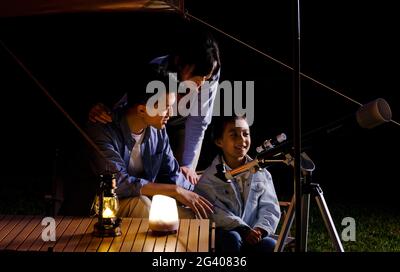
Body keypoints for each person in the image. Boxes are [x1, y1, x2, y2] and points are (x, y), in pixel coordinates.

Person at [88, 23, 221, 185]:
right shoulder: (157, 69)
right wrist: (105, 117)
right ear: (180, 61)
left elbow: (199, 121)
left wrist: (188, 166)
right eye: (198, 76)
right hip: (149, 121)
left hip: (177, 126)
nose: (201, 83)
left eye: (206, 78)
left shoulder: (208, 77)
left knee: (177, 174)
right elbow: (132, 105)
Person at [84, 69, 213, 219]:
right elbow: (119, 183)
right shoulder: (102, 130)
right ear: (141, 110)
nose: (171, 114)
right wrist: (175, 191)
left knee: (197, 214)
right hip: (102, 208)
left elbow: (172, 173)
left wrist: (205, 193)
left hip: (145, 204)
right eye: (166, 108)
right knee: (141, 205)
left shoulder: (157, 130)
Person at [194, 116, 281, 252]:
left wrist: (260, 229)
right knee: (231, 238)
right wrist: (243, 229)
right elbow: (215, 212)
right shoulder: (208, 179)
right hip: (226, 234)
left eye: (245, 134)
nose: (242, 140)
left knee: (270, 245)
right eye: (233, 135)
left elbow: (270, 206)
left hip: (254, 235)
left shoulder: (261, 173)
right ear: (219, 141)